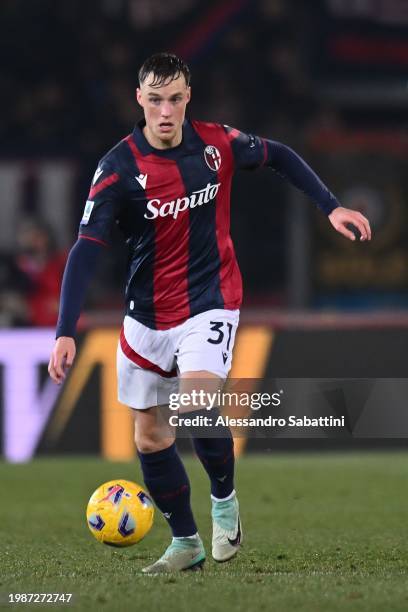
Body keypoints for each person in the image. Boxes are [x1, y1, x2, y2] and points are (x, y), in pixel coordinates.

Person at [48, 52, 371, 573]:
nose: (165, 111)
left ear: (187, 97)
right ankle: (186, 543)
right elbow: (87, 247)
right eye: (155, 100)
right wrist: (66, 330)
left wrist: (331, 205)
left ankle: (225, 501)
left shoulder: (218, 144)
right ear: (139, 100)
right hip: (147, 316)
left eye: (175, 98)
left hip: (211, 300)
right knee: (150, 436)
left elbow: (280, 155)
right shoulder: (117, 169)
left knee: (196, 404)